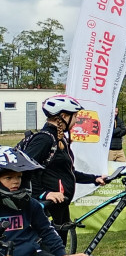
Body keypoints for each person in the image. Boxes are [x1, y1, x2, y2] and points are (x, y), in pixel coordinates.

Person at [22, 95, 108, 246]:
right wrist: (45, 193)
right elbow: (25, 169)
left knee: (59, 249)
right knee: (50, 252)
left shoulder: (59, 139)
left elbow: (66, 172)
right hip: (47, 206)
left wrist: (94, 178)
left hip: (60, 206)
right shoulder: (45, 139)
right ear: (63, 116)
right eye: (75, 116)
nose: (76, 121)